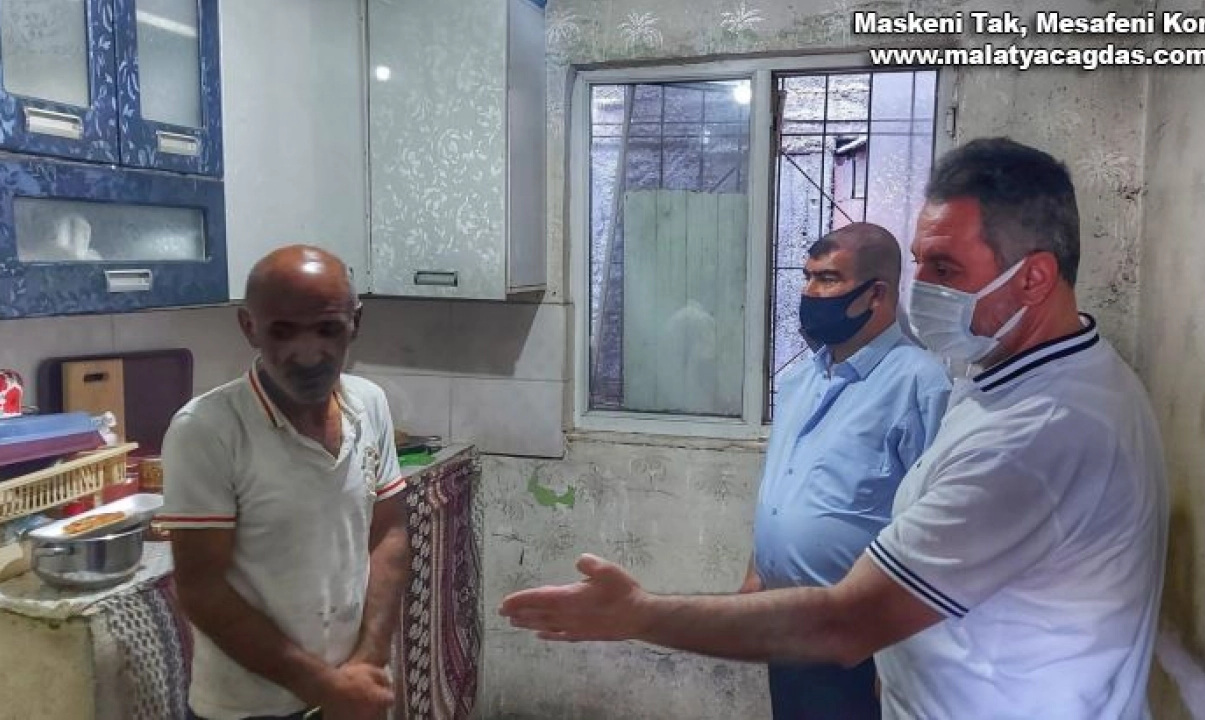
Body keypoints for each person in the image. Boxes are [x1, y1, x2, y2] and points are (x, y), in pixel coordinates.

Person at [500, 137, 1168, 719]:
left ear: (1035, 278)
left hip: (873, 649)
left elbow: (850, 621)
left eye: (944, 269)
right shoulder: (1002, 379)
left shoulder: (1038, 432)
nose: (922, 288)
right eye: (920, 262)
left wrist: (639, 614)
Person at [159, 245, 411, 720]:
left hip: (353, 688)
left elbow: (389, 533)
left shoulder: (369, 403)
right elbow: (202, 589)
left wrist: (366, 664)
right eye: (283, 331)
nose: (308, 354)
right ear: (248, 327)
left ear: (355, 323)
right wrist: (325, 687)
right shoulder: (207, 430)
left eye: (328, 329)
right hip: (250, 708)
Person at [742, 222, 950, 719]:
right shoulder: (801, 381)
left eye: (829, 279)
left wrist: (901, 650)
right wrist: (757, 572)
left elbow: (936, 529)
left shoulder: (920, 385)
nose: (810, 292)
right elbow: (785, 487)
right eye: (808, 277)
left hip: (861, 639)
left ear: (877, 294)